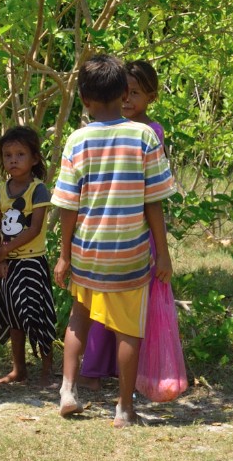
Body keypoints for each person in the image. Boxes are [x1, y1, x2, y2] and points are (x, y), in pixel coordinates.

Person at [52, 55, 176, 426]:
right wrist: (164, 255)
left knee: (79, 317)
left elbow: (67, 206)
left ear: (85, 100)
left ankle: (68, 390)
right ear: (124, 92)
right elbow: (153, 202)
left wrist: (63, 255)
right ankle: (124, 408)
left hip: (87, 251)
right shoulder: (145, 136)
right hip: (131, 254)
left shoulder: (77, 140)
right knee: (128, 330)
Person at [78, 59, 165, 381]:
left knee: (132, 305)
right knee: (101, 303)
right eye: (123, 93)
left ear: (150, 97)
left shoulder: (150, 133)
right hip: (105, 232)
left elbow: (152, 193)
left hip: (139, 231)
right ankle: (99, 366)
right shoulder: (96, 133)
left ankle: (129, 368)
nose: (127, 100)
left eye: (135, 93)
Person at [0, 124, 58, 388]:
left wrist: (4, 250)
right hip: (9, 265)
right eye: (7, 155)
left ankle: (47, 368)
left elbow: (35, 228)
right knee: (13, 316)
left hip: (31, 263)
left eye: (20, 154)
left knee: (37, 315)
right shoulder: (0, 190)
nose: (13, 160)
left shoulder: (38, 190)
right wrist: (0, 259)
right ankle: (18, 369)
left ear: (34, 159)